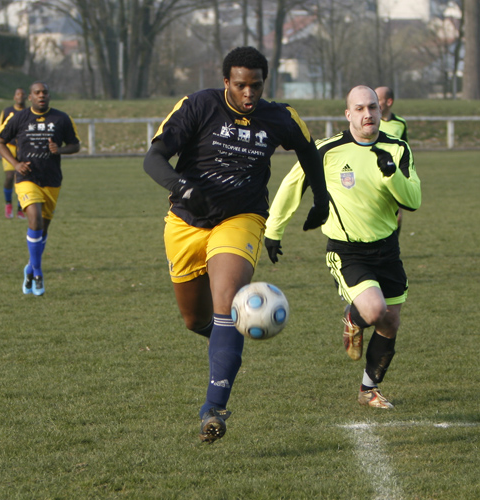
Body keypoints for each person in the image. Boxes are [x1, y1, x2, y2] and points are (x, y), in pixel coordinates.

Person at [143, 46, 329, 443]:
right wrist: (180, 186)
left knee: (226, 299)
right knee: (196, 320)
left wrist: (322, 198)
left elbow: (309, 151)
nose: (249, 94)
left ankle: (214, 409)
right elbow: (154, 157)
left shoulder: (279, 116)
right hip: (186, 223)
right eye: (241, 85)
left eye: (256, 86)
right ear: (226, 81)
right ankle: (226, 341)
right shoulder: (197, 106)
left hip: (241, 218)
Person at [264, 85, 421, 410]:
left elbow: (414, 200)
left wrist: (391, 175)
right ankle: (353, 317)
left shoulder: (398, 149)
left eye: (373, 108)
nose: (368, 114)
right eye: (360, 108)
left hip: (388, 249)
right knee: (374, 311)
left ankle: (368, 390)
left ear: (381, 111)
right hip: (347, 250)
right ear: (348, 114)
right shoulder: (326, 150)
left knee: (390, 322)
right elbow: (292, 185)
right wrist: (273, 230)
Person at [0, 81, 81, 296]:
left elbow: (76, 145)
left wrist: (60, 150)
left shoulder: (61, 118)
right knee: (34, 219)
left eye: (44, 92)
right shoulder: (19, 118)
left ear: (48, 96)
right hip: (27, 177)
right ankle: (38, 272)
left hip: (51, 179)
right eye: (37, 93)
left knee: (43, 230)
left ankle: (29, 268)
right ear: (30, 97)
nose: (41, 95)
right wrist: (15, 164)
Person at [375, 86, 409, 233]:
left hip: (394, 174)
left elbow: (404, 150)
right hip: (373, 173)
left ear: (389, 102)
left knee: (397, 217)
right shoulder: (371, 122)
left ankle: (393, 249)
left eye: (378, 99)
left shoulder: (400, 123)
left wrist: (405, 174)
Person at [0, 87, 27, 219]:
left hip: (23, 148)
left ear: (26, 97)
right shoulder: (7, 112)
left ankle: (20, 208)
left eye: (22, 94)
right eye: (18, 94)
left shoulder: (29, 112)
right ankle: (8, 204)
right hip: (9, 147)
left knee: (20, 177)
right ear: (14, 97)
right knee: (9, 176)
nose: (20, 96)